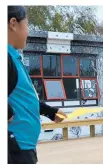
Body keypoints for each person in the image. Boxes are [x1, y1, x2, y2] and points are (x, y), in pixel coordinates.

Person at [8, 6, 67, 164]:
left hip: (24, 146)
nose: (28, 31)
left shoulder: (13, 57)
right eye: (27, 25)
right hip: (14, 148)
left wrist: (51, 112)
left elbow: (24, 97)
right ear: (13, 23)